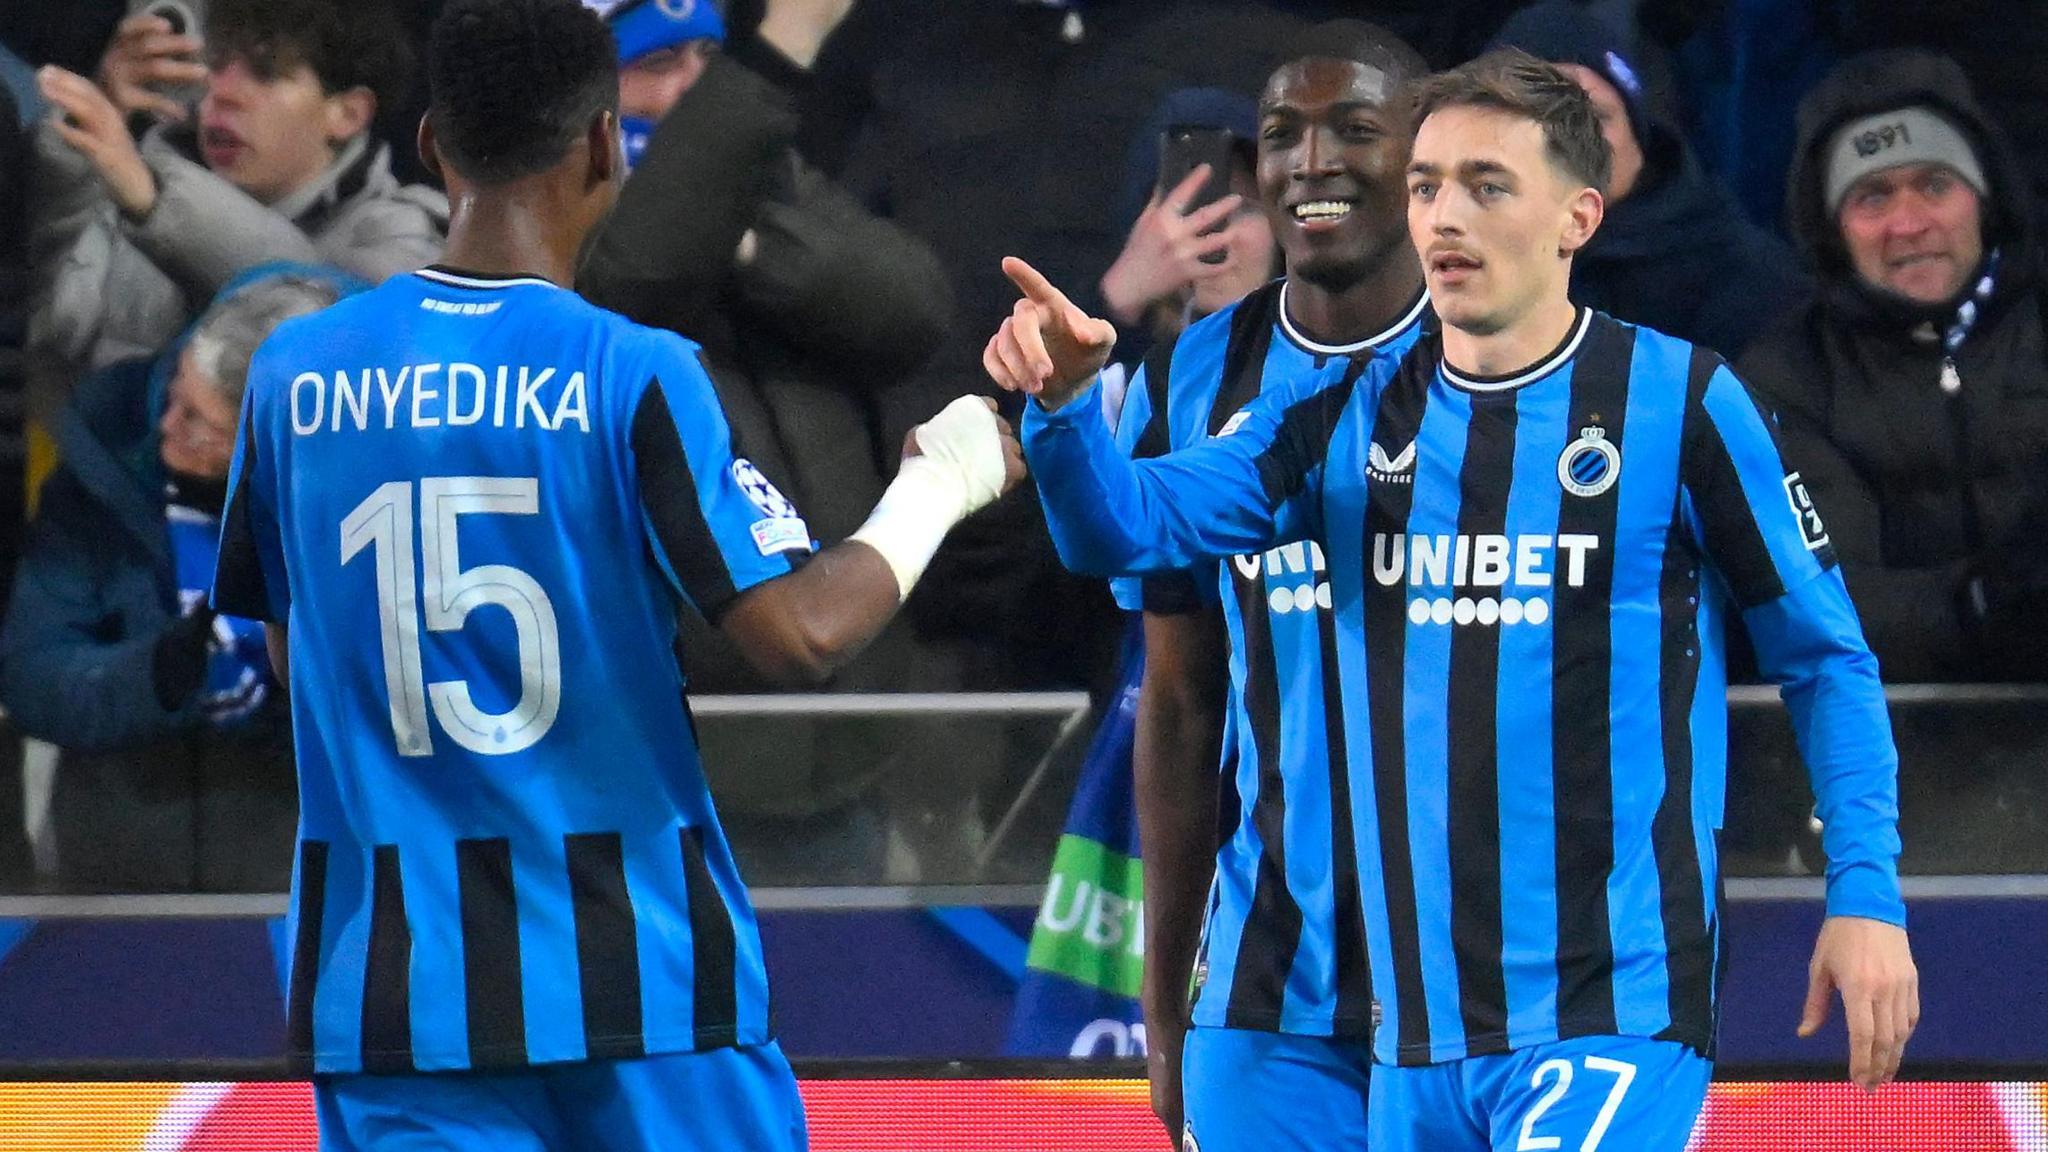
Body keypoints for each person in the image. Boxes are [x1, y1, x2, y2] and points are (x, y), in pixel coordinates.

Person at [988, 49, 1917, 1151]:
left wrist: (1863, 889)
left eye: (1485, 186)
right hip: (1408, 1041)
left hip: (1606, 1009)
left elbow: (1824, 659)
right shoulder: (1333, 419)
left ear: (1577, 216)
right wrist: (1057, 414)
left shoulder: (1679, 401)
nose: (1441, 216)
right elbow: (1124, 530)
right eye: (1426, 184)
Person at [210, 1, 1020, 1148]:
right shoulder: (630, 371)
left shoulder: (291, 374)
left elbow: (299, 662)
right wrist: (940, 481)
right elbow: (801, 634)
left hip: (391, 995)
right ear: (603, 145)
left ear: (432, 145)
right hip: (640, 979)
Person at [1082, 23, 1430, 1152]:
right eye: (1280, 135)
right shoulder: (1184, 382)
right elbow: (1177, 702)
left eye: (1353, 129)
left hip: (1501, 991)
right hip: (1267, 987)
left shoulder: (1554, 372)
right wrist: (1161, 1001)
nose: (1308, 160)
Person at [575, 0, 958, 884]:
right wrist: (706, 210)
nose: (691, 88)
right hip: (659, 775)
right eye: (655, 64)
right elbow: (629, 283)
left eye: (708, 57)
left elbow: (912, 304)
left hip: (833, 755)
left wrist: (740, 238)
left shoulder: (765, 177)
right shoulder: (556, 217)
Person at [0, 266, 353, 893]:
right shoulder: (105, 450)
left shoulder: (365, 502)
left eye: (197, 420)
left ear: (268, 444)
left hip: (301, 886)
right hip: (113, 877)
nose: (166, 425)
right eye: (174, 394)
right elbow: (32, 671)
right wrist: (155, 676)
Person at [1740, 49, 2048, 683]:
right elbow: (1807, 601)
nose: (1908, 223)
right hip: (1892, 746)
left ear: (1982, 201)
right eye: (1872, 197)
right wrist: (1975, 606)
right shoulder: (1785, 379)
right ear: (1833, 229)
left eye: (1935, 185)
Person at [26, 0, 445, 421]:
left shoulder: (402, 233)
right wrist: (83, 138)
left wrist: (158, 203)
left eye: (265, 74)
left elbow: (339, 334)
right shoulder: (138, 175)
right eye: (216, 66)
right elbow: (48, 323)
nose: (221, 93)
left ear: (348, 114)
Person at [1490, 0, 1808, 360]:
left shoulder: (1749, 281)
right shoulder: (1443, 261)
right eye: (1534, 118)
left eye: (1595, 116)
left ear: (1637, 137)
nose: (1570, 141)